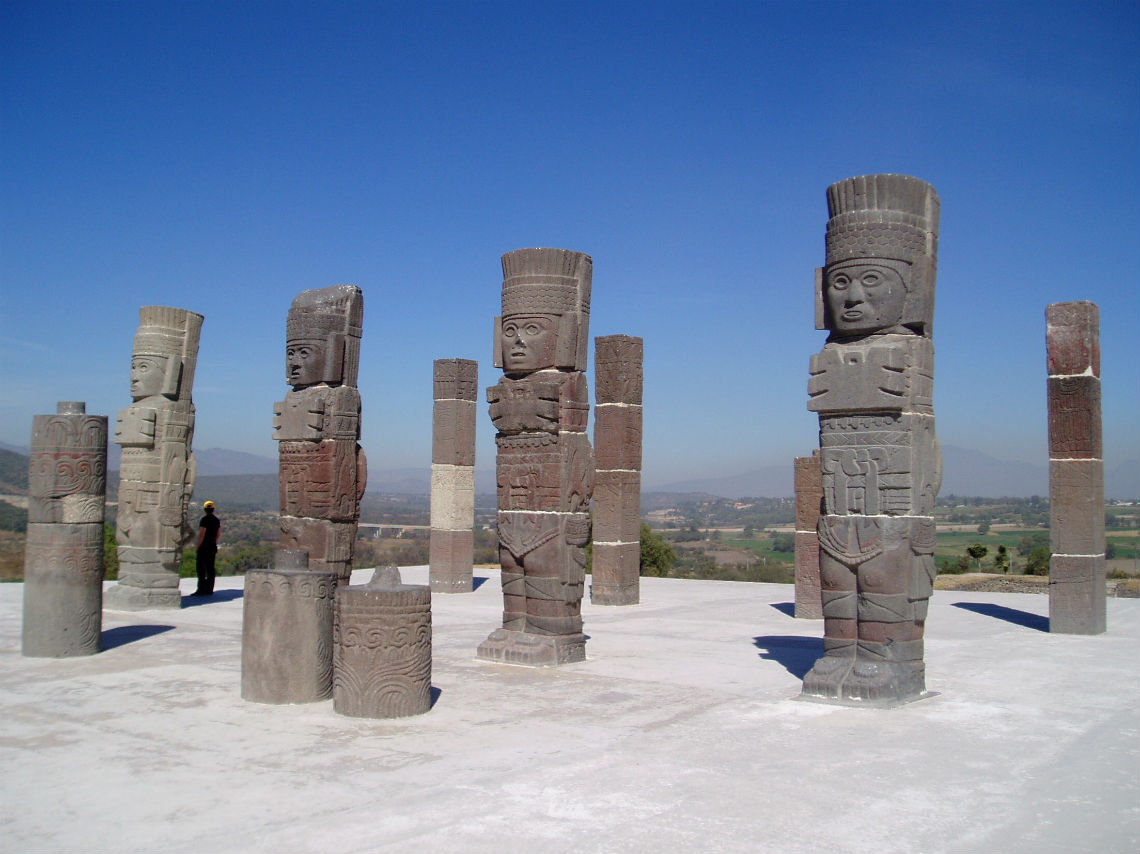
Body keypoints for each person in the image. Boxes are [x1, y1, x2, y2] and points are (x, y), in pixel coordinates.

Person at [193, 500, 221, 596]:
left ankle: (201, 589)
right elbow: (219, 534)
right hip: (212, 547)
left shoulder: (204, 520)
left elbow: (202, 534)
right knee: (210, 568)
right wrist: (214, 543)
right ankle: (209, 589)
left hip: (204, 547)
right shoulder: (217, 520)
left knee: (201, 568)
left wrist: (198, 546)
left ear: (205, 509)